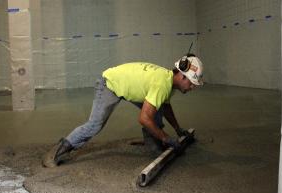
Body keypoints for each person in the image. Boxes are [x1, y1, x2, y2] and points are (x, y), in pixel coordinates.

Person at [43, 54, 204, 167]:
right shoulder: (162, 84)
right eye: (191, 84)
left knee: (158, 109)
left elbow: (166, 107)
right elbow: (144, 119)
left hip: (127, 85)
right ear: (182, 76)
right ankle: (56, 152)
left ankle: (154, 146)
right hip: (110, 84)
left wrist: (178, 129)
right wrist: (166, 138)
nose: (191, 88)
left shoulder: (168, 80)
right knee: (94, 125)